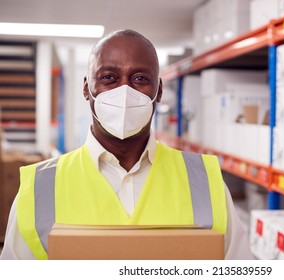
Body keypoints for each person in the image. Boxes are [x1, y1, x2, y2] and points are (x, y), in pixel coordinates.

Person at [0, 29, 254, 260]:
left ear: (159, 90)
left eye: (140, 78)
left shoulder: (205, 183)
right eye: (109, 77)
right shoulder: (40, 187)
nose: (124, 91)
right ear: (87, 88)